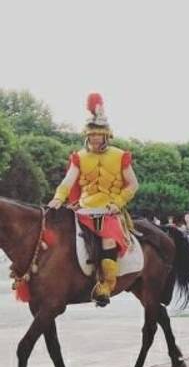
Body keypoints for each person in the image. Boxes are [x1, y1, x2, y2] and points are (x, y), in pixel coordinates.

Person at [48, 93, 138, 306]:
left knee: (108, 239)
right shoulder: (79, 157)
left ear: (107, 136)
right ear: (87, 136)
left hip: (108, 210)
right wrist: (59, 198)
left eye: (99, 135)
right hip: (84, 208)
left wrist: (117, 203)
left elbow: (133, 184)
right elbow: (69, 180)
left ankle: (106, 285)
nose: (95, 138)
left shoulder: (120, 155)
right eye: (92, 134)